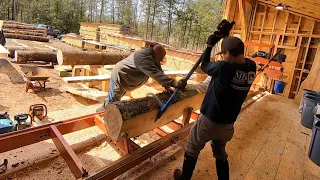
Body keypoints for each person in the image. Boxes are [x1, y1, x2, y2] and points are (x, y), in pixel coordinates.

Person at [173, 20, 257, 180]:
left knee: (192, 148)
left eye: (224, 54)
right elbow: (236, 53)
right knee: (220, 152)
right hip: (228, 124)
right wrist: (224, 37)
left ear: (228, 54)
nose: (223, 56)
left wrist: (209, 45)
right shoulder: (251, 66)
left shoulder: (224, 67)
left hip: (210, 120)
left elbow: (204, 66)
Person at [96, 44, 186, 112]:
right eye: (159, 60)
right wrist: (175, 83)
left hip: (126, 78)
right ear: (157, 56)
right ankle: (105, 114)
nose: (159, 62)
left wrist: (167, 86)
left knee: (117, 97)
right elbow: (156, 75)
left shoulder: (153, 55)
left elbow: (159, 71)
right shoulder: (144, 59)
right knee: (113, 101)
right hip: (119, 77)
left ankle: (105, 108)